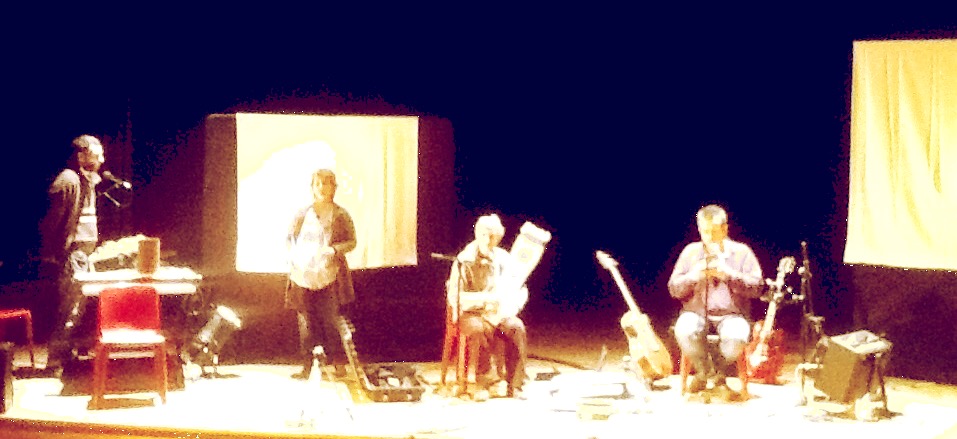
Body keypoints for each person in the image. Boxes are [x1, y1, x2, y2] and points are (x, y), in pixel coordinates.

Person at [668, 204, 763, 396]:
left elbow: (757, 287)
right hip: (695, 313)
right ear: (699, 229)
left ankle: (709, 375)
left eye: (714, 231)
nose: (709, 237)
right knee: (684, 331)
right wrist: (693, 276)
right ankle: (709, 374)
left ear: (725, 229)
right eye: (705, 231)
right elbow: (674, 289)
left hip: (732, 315)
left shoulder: (741, 252)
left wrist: (728, 274)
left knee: (737, 337)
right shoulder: (690, 252)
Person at [38, 135, 105, 372]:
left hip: (85, 255)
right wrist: (53, 251)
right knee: (71, 308)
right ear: (81, 155)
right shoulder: (68, 180)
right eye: (97, 155)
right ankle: (56, 359)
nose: (102, 160)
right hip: (73, 255)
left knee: (80, 308)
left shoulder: (87, 181)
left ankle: (69, 355)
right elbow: (52, 221)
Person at [446, 214, 528, 400]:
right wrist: (485, 300)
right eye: (486, 236)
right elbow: (456, 297)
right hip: (471, 313)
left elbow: (520, 287)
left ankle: (515, 384)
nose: (490, 242)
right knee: (478, 329)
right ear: (478, 234)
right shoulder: (464, 260)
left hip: (497, 312)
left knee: (516, 327)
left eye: (494, 239)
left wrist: (510, 308)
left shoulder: (503, 258)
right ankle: (479, 380)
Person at [285, 169, 356, 380]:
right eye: (319, 184)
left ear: (334, 187)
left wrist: (334, 250)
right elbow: (289, 239)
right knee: (305, 323)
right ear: (312, 188)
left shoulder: (341, 215)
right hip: (303, 277)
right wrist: (292, 257)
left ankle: (339, 364)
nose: (323, 188)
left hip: (329, 276)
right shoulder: (302, 214)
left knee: (332, 321)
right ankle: (307, 366)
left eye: (327, 183)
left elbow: (352, 241)